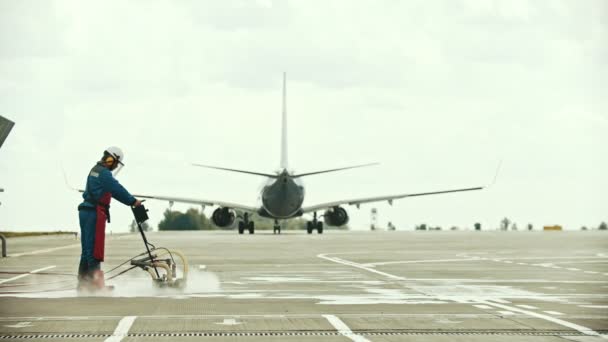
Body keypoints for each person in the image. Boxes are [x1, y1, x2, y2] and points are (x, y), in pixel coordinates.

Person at [77, 147, 142, 291]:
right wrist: (132, 201)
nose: (116, 166)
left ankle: (83, 284)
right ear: (111, 159)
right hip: (93, 212)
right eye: (116, 163)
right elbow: (116, 189)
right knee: (94, 250)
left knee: (87, 250)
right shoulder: (104, 174)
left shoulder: (95, 169)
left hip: (86, 211)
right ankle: (96, 285)